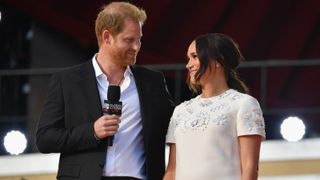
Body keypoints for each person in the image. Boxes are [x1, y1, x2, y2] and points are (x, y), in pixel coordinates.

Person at [36, 2, 175, 180]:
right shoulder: (67, 81)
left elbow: (177, 124)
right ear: (107, 37)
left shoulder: (153, 81)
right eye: (129, 40)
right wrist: (91, 131)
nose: (136, 47)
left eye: (139, 39)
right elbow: (45, 139)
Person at [163, 33, 265, 180]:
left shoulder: (244, 104)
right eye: (188, 58)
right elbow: (172, 171)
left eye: (194, 56)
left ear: (218, 60)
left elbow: (250, 168)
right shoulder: (181, 111)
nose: (188, 64)